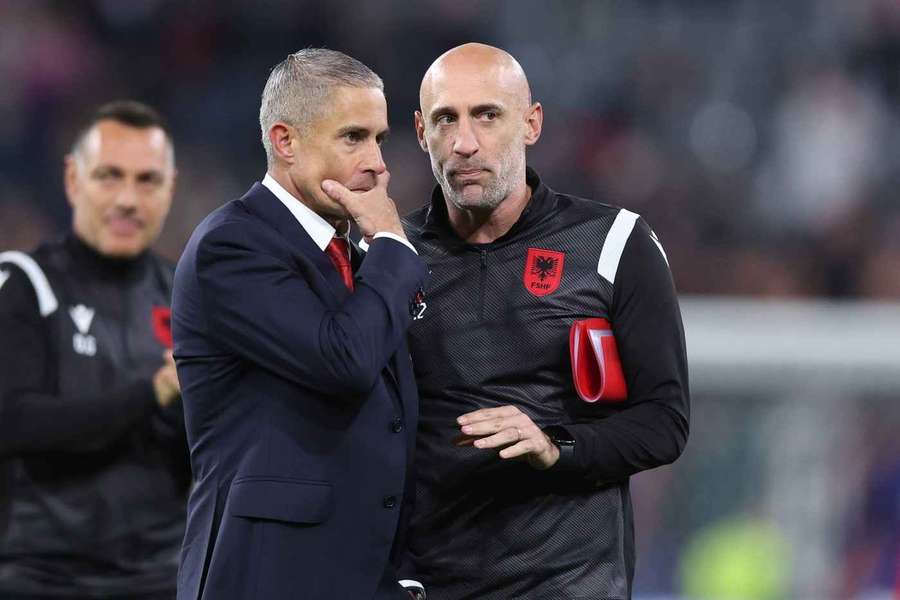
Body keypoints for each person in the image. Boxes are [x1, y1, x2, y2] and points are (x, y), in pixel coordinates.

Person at [402, 43, 691, 598]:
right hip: (429, 584)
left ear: (531, 123)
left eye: (488, 115)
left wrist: (556, 446)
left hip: (568, 582)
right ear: (421, 132)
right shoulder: (390, 257)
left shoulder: (612, 245)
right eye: (446, 119)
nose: (465, 143)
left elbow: (664, 422)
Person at [172, 49, 428, 600]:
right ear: (286, 141)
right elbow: (343, 360)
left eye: (380, 139)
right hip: (269, 574)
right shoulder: (233, 246)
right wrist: (391, 243)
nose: (379, 164)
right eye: (353, 137)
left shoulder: (355, 260)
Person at [0, 101, 189, 599]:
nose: (128, 198)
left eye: (147, 180)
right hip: (43, 577)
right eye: (109, 176)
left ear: (170, 188)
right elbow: (14, 420)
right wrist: (153, 393)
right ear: (72, 179)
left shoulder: (189, 298)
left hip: (164, 579)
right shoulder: (23, 284)